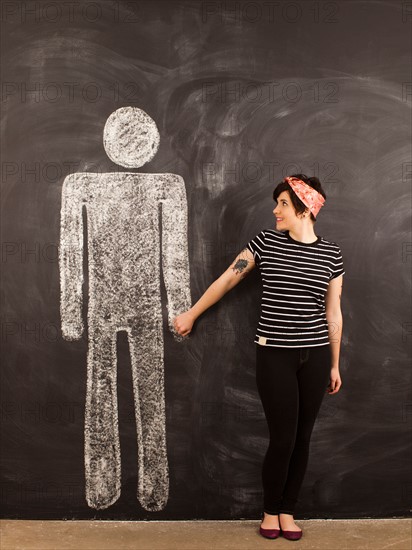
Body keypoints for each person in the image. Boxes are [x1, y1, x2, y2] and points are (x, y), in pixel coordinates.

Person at [173, 174, 345, 541]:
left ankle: (288, 511)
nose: (275, 210)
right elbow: (228, 279)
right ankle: (270, 511)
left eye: (283, 203)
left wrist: (333, 363)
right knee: (283, 438)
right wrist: (192, 313)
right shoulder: (266, 242)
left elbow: (334, 314)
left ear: (304, 208)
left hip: (314, 357)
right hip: (274, 356)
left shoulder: (332, 254)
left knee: (302, 438)